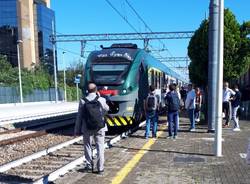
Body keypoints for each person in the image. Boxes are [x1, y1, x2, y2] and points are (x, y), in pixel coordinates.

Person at [74, 82, 109, 174]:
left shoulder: (83, 101)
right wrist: (100, 97)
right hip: (100, 127)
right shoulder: (101, 99)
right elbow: (107, 109)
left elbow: (79, 117)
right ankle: (100, 169)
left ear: (87, 91)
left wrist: (77, 130)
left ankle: (89, 166)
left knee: (88, 146)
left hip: (87, 127)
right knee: (100, 147)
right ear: (96, 90)